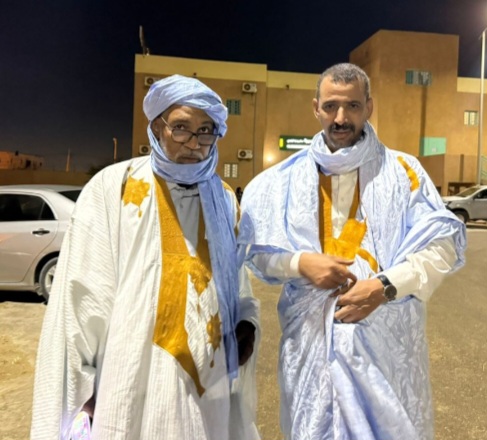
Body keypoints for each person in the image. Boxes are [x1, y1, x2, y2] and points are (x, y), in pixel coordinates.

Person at [238, 63, 466, 440]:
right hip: (309, 348)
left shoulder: (403, 172)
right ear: (316, 108)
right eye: (330, 106)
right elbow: (257, 252)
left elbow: (441, 246)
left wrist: (385, 286)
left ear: (369, 107)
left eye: (352, 106)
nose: (341, 118)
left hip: (385, 352)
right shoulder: (280, 181)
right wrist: (299, 263)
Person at [31, 75, 260, 440]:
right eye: (181, 127)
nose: (194, 143)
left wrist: (246, 322)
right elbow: (80, 299)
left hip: (209, 384)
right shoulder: (115, 188)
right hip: (130, 380)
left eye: (206, 130)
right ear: (156, 127)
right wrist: (81, 389)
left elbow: (237, 284)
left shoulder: (223, 198)